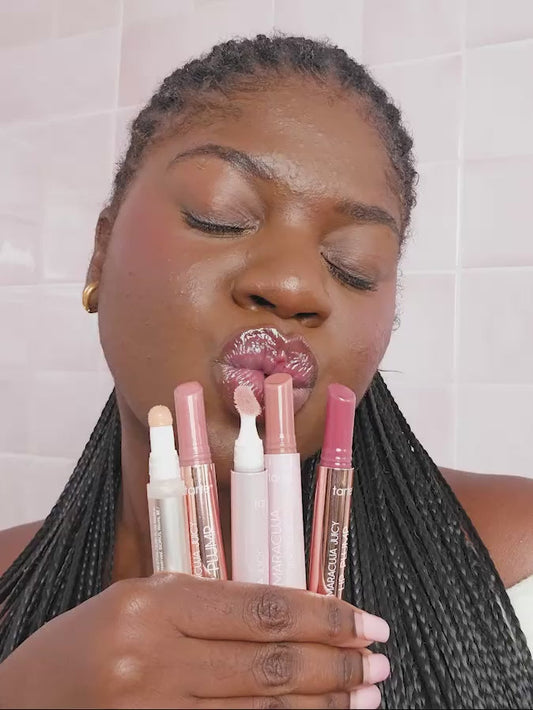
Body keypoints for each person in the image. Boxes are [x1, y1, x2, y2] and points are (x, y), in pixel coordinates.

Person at [0, 34, 532, 709]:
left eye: (354, 264)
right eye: (219, 217)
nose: (292, 284)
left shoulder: (518, 560)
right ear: (100, 251)